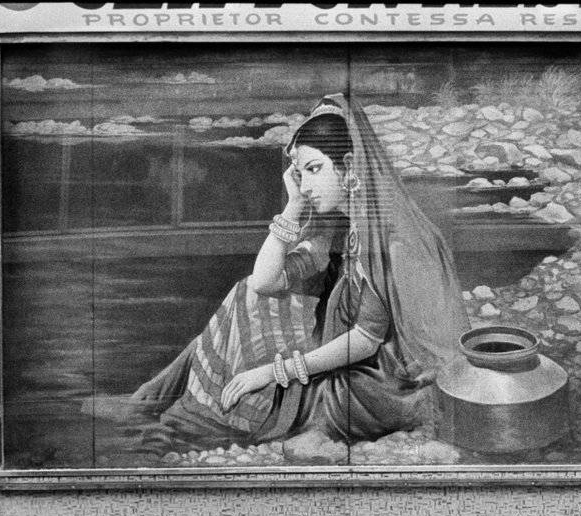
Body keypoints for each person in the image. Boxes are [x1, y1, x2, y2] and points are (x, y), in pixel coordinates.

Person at [132, 93, 469, 453]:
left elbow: (368, 340)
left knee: (263, 385)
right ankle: (150, 402)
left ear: (349, 165)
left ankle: (169, 416)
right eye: (300, 173)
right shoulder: (342, 226)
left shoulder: (392, 239)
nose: (305, 185)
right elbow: (263, 282)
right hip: (348, 353)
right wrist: (293, 207)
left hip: (383, 386)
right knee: (244, 296)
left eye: (313, 169)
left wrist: (273, 372)